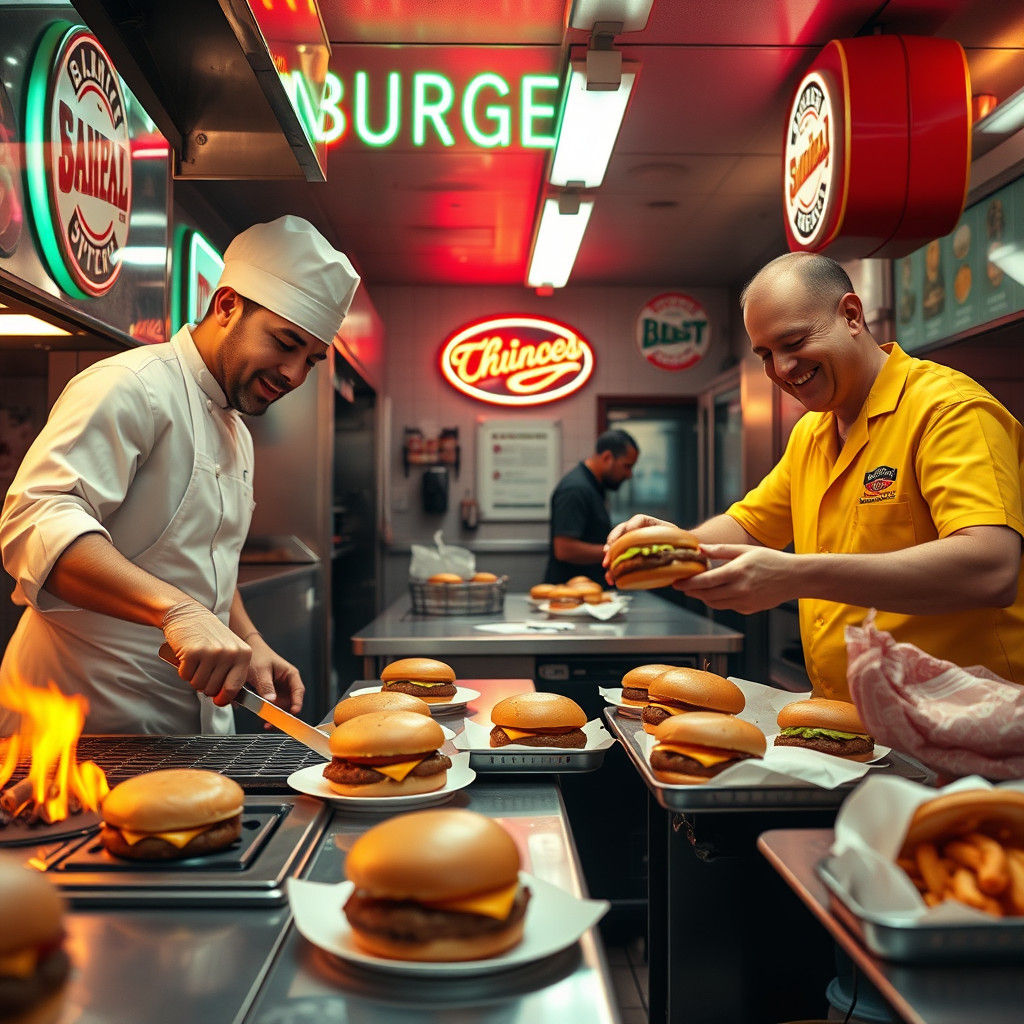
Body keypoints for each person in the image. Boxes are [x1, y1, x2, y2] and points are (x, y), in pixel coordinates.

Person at [606, 251, 1024, 700]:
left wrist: (796, 575)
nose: (782, 369)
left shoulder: (948, 410)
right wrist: (676, 546)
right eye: (766, 354)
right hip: (852, 726)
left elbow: (991, 569)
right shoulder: (813, 431)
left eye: (794, 342)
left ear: (851, 315)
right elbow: (748, 527)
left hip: (967, 725)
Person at [0, 215, 360, 734]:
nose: (294, 374)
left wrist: (249, 637)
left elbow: (203, 560)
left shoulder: (236, 429)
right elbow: (36, 524)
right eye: (285, 343)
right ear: (227, 305)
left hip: (189, 737)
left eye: (311, 360)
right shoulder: (132, 386)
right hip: (81, 732)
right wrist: (176, 611)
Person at [546, 428, 639, 586]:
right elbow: (564, 549)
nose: (629, 474)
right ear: (607, 457)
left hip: (588, 593)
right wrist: (619, 550)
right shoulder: (576, 488)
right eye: (626, 466)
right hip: (570, 597)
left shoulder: (593, 486)